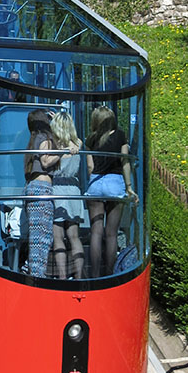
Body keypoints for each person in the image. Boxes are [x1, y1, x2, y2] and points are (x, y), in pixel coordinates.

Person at [85, 106, 138, 277]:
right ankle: (110, 274)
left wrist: (93, 181)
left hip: (96, 183)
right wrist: (129, 187)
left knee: (96, 231)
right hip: (115, 184)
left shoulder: (91, 138)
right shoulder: (120, 135)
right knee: (111, 233)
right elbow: (124, 161)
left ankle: (94, 274)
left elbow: (90, 166)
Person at [24, 109, 61, 277]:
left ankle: (30, 269)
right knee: (42, 238)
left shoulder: (32, 140)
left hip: (31, 188)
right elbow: (46, 161)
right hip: (42, 189)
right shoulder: (44, 138)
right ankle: (37, 276)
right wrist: (63, 150)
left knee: (38, 236)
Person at [50, 110, 85, 279]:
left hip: (57, 188)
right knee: (74, 236)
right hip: (74, 189)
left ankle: (62, 276)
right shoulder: (78, 143)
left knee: (58, 237)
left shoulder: (55, 145)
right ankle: (78, 276)